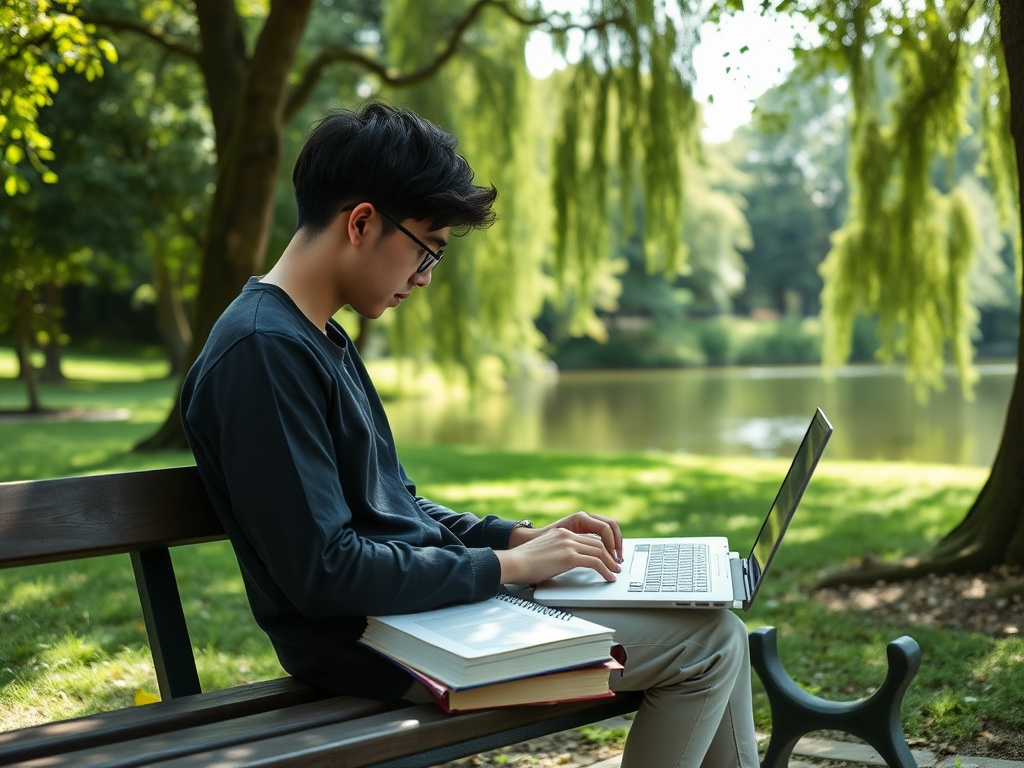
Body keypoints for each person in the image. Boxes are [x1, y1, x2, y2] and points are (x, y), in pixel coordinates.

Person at [180, 101, 758, 768]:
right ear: (363, 222)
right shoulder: (263, 352)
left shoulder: (317, 337)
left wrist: (518, 538)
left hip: (422, 616)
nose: (424, 278)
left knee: (717, 632)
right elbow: (327, 572)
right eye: (426, 250)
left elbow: (394, 504)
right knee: (709, 643)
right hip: (382, 645)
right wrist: (509, 569)